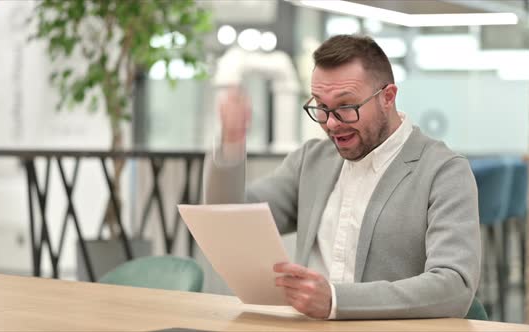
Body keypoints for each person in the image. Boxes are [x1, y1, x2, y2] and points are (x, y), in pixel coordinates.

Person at [203, 34, 481, 320]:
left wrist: (336, 300)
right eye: (321, 108)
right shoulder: (312, 161)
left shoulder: (443, 171)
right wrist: (230, 145)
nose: (332, 123)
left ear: (388, 97)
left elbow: (454, 286)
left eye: (346, 106)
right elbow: (228, 215)